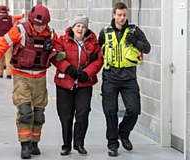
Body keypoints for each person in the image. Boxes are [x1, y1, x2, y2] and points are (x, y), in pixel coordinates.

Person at [0, 5, 63, 159]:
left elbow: (57, 49)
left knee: (39, 114)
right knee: (25, 112)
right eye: (37, 25)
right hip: (21, 76)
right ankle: (25, 144)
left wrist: (58, 54)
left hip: (40, 78)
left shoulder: (51, 34)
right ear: (31, 21)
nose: (40, 28)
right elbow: (1, 46)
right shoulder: (19, 31)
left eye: (43, 25)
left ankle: (35, 142)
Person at [98, 2, 151, 157]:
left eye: (124, 15)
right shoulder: (105, 32)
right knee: (110, 111)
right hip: (110, 76)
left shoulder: (134, 31)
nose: (122, 18)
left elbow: (147, 48)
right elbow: (95, 48)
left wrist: (136, 41)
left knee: (134, 110)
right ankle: (112, 144)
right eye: (119, 15)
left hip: (129, 78)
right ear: (114, 15)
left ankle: (124, 132)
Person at [52, 13, 103, 156]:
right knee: (66, 115)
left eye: (83, 26)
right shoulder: (62, 40)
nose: (80, 29)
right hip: (64, 83)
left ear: (86, 29)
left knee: (83, 113)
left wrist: (87, 73)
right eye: (78, 26)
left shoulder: (93, 43)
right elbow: (55, 57)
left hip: (84, 84)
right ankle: (66, 145)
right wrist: (68, 69)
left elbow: (99, 60)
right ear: (73, 27)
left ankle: (79, 143)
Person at [0, 5, 24, 79]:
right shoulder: (12, 19)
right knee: (9, 57)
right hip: (10, 42)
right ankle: (9, 73)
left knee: (0, 57)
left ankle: (0, 73)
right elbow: (15, 29)